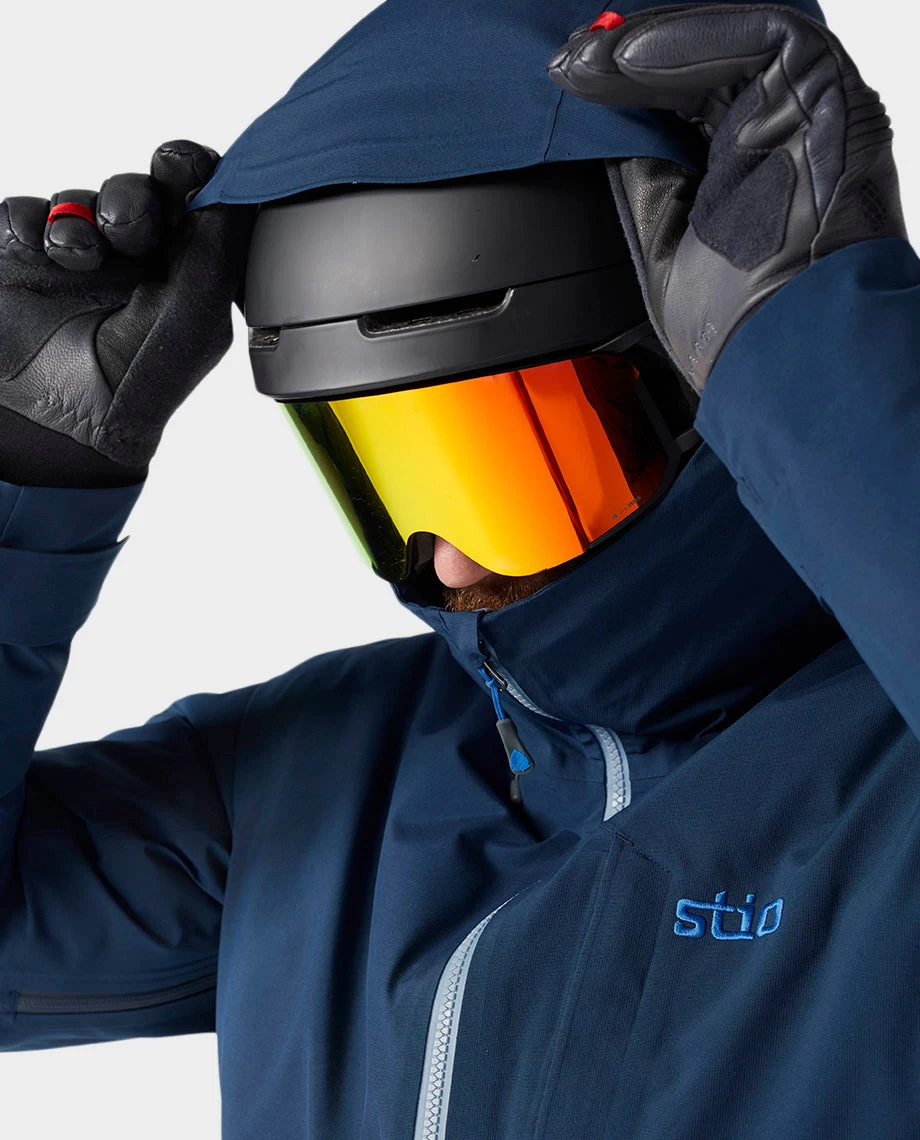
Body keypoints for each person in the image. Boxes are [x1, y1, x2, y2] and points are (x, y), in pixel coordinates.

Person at [1, 2, 918, 1138]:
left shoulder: (887, 774)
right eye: (394, 474)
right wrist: (20, 480)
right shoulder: (322, 777)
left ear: (703, 407)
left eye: (509, 466)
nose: (445, 558)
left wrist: (815, 348)